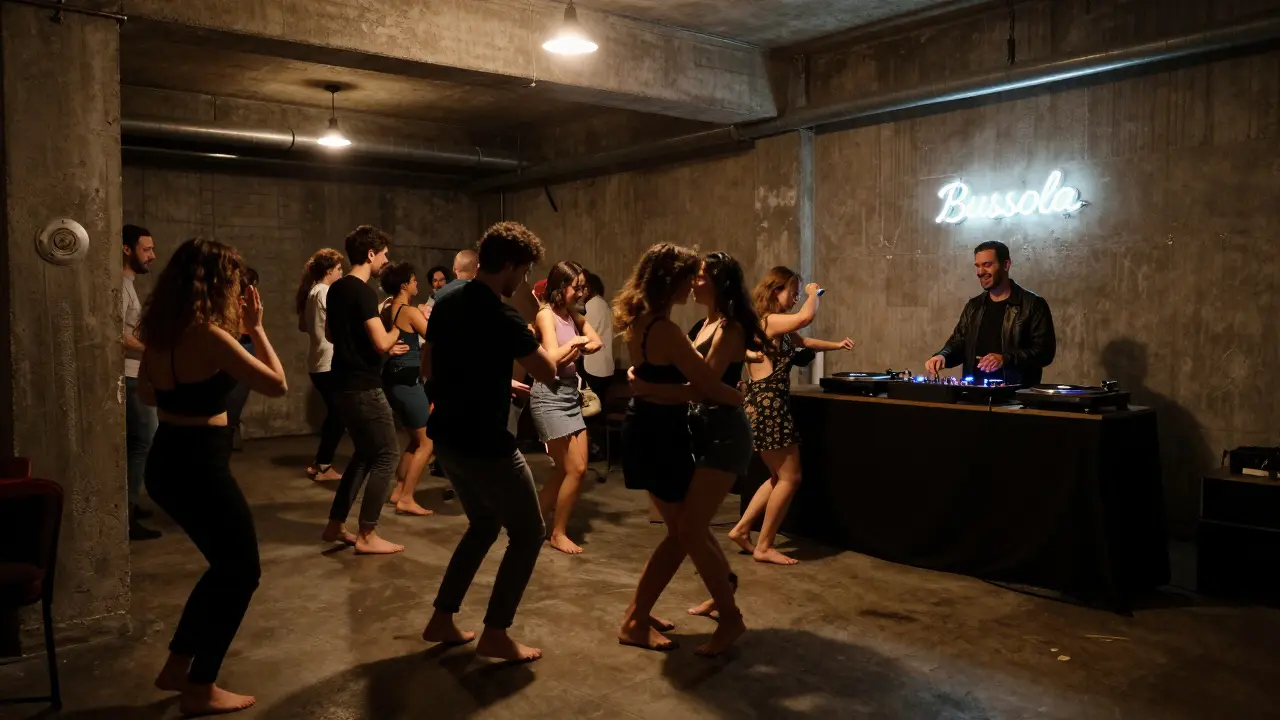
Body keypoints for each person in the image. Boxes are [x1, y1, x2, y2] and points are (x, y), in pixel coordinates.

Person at [136, 238, 288, 716]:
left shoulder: (161, 330)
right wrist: (257, 329)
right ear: (219, 284)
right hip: (200, 464)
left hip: (167, 459)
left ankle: (178, 667)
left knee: (225, 567)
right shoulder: (209, 336)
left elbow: (145, 393)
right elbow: (277, 384)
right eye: (235, 280)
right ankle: (200, 685)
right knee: (242, 572)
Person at [420, 221, 558, 663]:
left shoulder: (447, 299)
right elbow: (546, 371)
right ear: (512, 265)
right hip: (485, 442)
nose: (521, 280)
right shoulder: (503, 314)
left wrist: (498, 384)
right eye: (523, 270)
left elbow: (431, 363)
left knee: (482, 525)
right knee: (529, 532)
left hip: (448, 437)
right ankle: (496, 632)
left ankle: (442, 618)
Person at [612, 244, 746, 657]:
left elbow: (685, 382)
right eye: (689, 276)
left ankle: (640, 612)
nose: (694, 282)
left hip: (653, 430)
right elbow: (704, 386)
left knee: (684, 531)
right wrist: (737, 396)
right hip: (662, 435)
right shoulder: (667, 330)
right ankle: (640, 618)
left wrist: (649, 385)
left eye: (700, 275)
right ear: (672, 281)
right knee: (682, 533)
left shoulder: (643, 321)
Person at [726, 267, 855, 565]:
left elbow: (804, 341)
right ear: (776, 290)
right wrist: (813, 294)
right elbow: (806, 318)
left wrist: (836, 345)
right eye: (793, 291)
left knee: (777, 477)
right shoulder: (769, 321)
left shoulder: (773, 325)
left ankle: (742, 529)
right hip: (769, 406)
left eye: (800, 292)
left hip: (765, 405)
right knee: (791, 477)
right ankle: (764, 545)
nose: (797, 297)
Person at [321, 225, 410, 555]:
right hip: (364, 386)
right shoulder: (363, 292)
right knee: (388, 455)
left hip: (341, 384)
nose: (387, 259)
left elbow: (331, 334)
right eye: (384, 253)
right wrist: (401, 321)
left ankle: (335, 524)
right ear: (370, 254)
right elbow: (382, 342)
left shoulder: (337, 289)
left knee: (363, 455)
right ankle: (368, 534)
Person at [530, 261, 601, 554]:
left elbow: (596, 342)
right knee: (575, 468)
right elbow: (550, 357)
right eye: (577, 286)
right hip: (549, 395)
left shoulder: (572, 314)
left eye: (584, 286)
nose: (582, 292)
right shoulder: (545, 315)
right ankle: (557, 533)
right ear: (561, 287)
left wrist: (583, 344)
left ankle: (533, 524)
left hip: (570, 395)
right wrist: (575, 343)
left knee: (569, 470)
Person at [924, 240, 1056, 386]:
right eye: (977, 266)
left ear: (1006, 265)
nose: (980, 272)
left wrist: (1005, 359)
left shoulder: (1033, 304)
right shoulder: (974, 306)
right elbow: (958, 343)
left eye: (987, 265)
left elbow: (1044, 353)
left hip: (1016, 398)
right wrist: (943, 356)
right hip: (973, 395)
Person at [378, 261, 434, 517]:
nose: (417, 284)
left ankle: (400, 490)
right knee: (428, 442)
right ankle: (408, 497)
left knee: (415, 440)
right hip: (407, 383)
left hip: (394, 380)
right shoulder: (409, 312)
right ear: (404, 285)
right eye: (413, 280)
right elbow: (436, 336)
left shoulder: (386, 308)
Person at [122, 224, 161, 541]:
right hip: (130, 376)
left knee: (141, 443)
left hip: (136, 374)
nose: (152, 255)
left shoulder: (129, 284)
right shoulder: (120, 286)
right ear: (127, 249)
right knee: (141, 444)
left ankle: (130, 504)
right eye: (146, 249)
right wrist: (153, 349)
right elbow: (114, 335)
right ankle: (128, 514)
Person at [296, 248, 347, 481]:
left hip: (318, 362)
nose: (341, 273)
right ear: (329, 271)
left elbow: (304, 326)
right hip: (328, 362)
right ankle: (323, 465)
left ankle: (320, 464)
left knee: (338, 414)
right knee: (339, 415)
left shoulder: (312, 292)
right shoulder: (325, 291)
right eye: (338, 269)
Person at [225, 267, 259, 452]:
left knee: (238, 395)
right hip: (238, 345)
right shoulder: (231, 303)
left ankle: (232, 430)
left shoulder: (248, 303)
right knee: (232, 396)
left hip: (247, 344)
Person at [580, 270, 615, 410]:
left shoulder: (592, 305)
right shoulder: (602, 304)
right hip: (606, 366)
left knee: (592, 410)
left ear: (588, 289)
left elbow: (586, 334)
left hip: (595, 367)